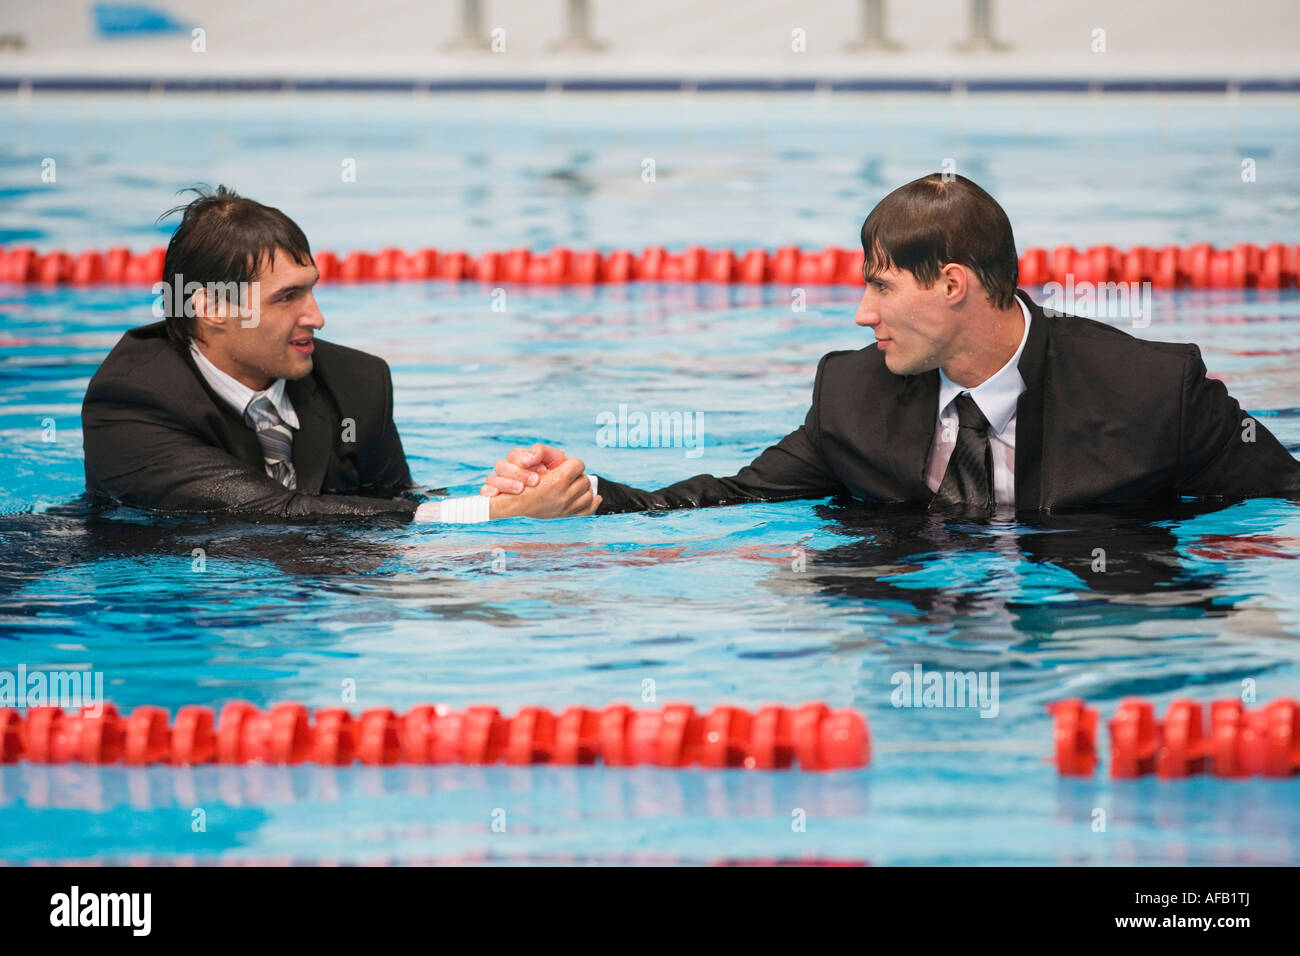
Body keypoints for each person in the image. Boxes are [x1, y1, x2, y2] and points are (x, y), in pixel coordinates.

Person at [485, 173, 1300, 515]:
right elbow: (729, 502)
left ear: (952, 286)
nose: (859, 315)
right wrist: (585, 494)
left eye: (879, 286)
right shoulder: (854, 395)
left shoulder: (1154, 387)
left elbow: (1284, 509)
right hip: (909, 616)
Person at [82, 186, 599, 521]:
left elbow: (396, 508)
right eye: (287, 298)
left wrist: (526, 490)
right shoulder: (132, 400)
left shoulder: (357, 382)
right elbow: (274, 512)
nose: (317, 316)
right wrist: (492, 516)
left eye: (311, 289)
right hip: (168, 601)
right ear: (214, 309)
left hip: (321, 589)